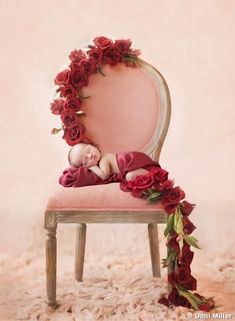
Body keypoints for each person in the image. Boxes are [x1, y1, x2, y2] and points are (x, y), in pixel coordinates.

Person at [68, 143, 159, 181]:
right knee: (130, 176)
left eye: (88, 150)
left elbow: (104, 175)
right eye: (86, 161)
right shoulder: (104, 156)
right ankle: (151, 172)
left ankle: (153, 174)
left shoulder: (104, 160)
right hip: (135, 160)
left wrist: (92, 167)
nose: (90, 155)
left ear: (92, 145)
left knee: (129, 177)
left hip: (133, 162)